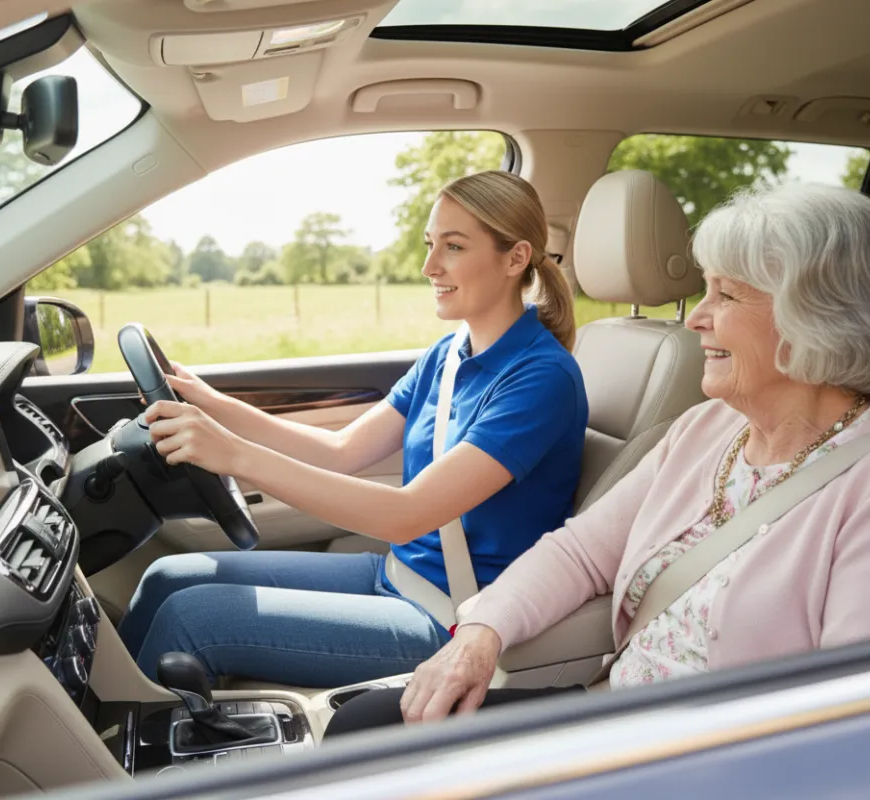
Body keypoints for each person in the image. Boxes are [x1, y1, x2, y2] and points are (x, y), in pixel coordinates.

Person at [325, 182, 870, 736]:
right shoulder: (708, 430)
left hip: (718, 761)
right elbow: (580, 552)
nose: (696, 319)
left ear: (819, 316)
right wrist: (479, 634)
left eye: (726, 296)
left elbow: (865, 731)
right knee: (367, 727)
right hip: (623, 718)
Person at [117, 170, 590, 688]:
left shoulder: (541, 378)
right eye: (430, 244)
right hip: (396, 576)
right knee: (167, 577)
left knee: (191, 618)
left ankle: (120, 740)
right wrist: (211, 402)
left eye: (453, 247)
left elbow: (407, 516)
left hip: (456, 619)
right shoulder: (449, 354)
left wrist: (232, 454)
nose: (429, 266)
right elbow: (342, 450)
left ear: (516, 258)